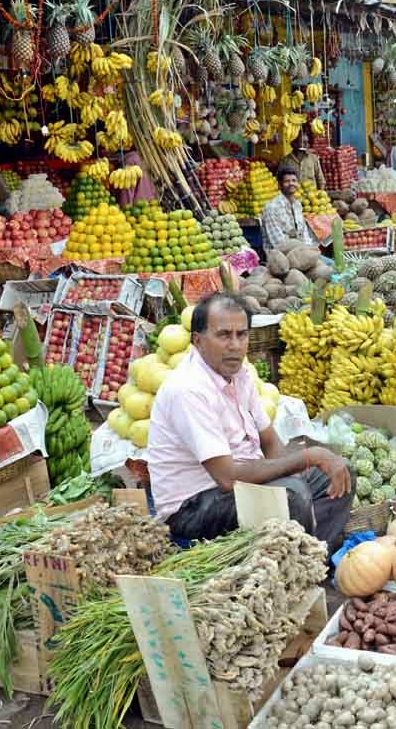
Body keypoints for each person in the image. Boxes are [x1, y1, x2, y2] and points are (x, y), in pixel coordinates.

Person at [149, 292, 354, 548]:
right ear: (198, 341)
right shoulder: (188, 389)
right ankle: (290, 567)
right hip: (193, 507)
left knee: (338, 472)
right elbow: (227, 477)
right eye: (224, 335)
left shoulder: (239, 373)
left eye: (241, 334)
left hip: (234, 488)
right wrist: (306, 458)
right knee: (291, 495)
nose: (235, 345)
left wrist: (304, 469)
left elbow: (269, 441)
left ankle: (312, 557)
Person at [260, 167, 315, 252]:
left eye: (294, 181)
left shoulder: (297, 205)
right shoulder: (272, 208)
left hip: (300, 252)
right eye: (287, 181)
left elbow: (304, 234)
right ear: (279, 185)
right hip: (281, 256)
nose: (291, 183)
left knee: (330, 263)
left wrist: (309, 249)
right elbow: (278, 243)